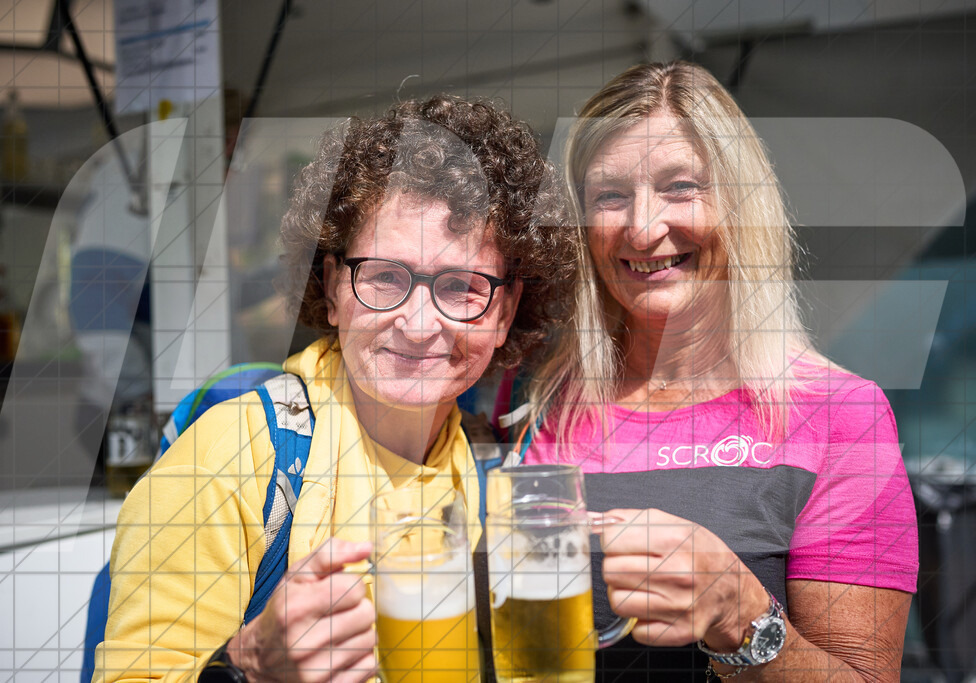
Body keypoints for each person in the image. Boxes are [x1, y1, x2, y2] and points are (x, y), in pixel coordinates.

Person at [95, 95, 575, 683]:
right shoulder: (235, 459)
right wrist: (248, 668)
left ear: (505, 312)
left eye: (461, 287)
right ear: (331, 284)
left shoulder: (489, 477)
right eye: (384, 277)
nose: (420, 323)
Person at [502, 61, 918, 681]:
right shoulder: (548, 403)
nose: (643, 229)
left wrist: (744, 620)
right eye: (610, 196)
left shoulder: (840, 415)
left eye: (680, 186)